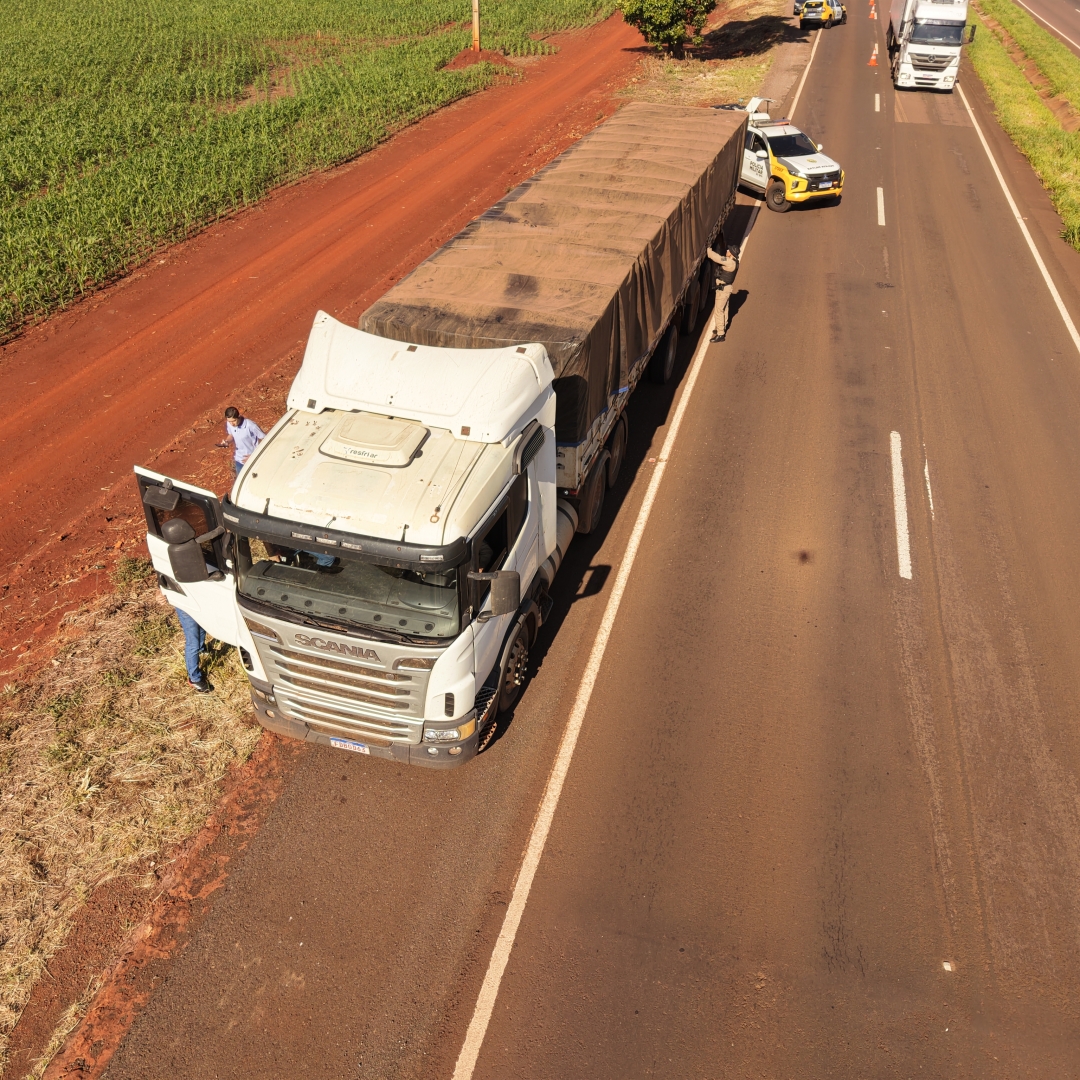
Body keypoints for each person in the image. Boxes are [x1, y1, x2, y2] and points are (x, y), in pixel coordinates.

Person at [706, 240, 740, 343]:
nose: (727, 250)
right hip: (726, 289)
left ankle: (720, 334)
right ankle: (722, 327)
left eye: (729, 250)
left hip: (723, 289)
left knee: (718, 311)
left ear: (732, 253)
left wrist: (708, 250)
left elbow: (716, 258)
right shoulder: (735, 262)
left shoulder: (730, 262)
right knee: (724, 309)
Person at [217, 406, 265, 476]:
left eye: (234, 421)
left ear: (238, 416)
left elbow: (264, 439)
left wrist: (254, 456)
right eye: (229, 421)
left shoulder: (250, 426)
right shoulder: (230, 424)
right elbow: (231, 435)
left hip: (252, 460)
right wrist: (227, 441)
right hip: (239, 460)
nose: (232, 424)